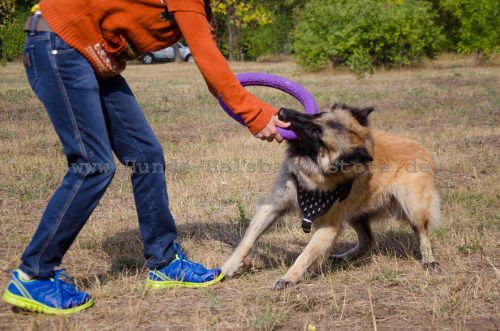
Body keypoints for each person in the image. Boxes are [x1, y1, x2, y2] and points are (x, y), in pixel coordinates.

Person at [2, 0, 290, 314]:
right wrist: (255, 116)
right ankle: (34, 274)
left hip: (91, 54)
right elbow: (209, 61)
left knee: (145, 154)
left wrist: (263, 114)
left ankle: (164, 261)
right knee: (93, 164)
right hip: (59, 42)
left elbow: (213, 68)